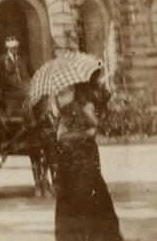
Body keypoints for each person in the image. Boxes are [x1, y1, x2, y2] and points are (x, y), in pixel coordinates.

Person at [54, 79, 122, 241]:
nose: (62, 95)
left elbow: (94, 128)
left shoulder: (84, 106)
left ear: (74, 90)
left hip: (84, 160)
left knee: (88, 193)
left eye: (67, 90)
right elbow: (61, 136)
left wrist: (88, 121)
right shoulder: (67, 110)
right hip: (73, 160)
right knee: (77, 195)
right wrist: (84, 133)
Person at [0, 36, 30, 119]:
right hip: (9, 92)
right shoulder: (2, 60)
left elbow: (30, 72)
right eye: (12, 48)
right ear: (8, 48)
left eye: (16, 47)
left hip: (22, 90)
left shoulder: (22, 59)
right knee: (12, 114)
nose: (15, 49)